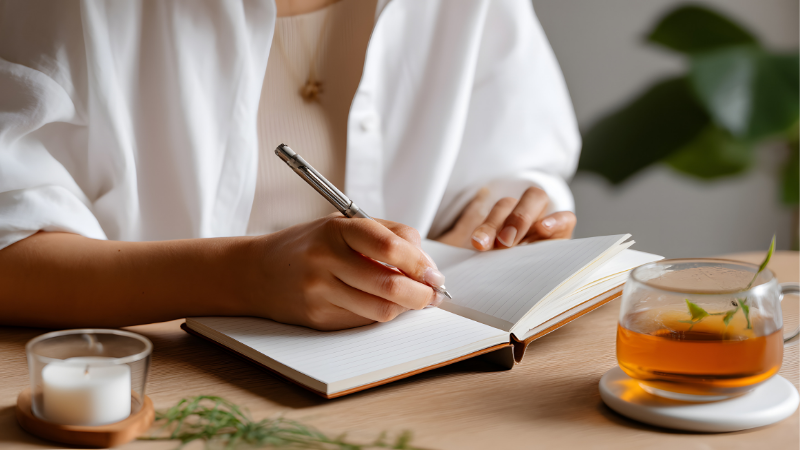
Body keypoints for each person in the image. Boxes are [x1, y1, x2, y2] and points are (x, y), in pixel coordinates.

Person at [0, 0, 580, 331]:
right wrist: (241, 274)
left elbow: (514, 162)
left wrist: (514, 215)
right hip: (156, 388)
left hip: (409, 383)